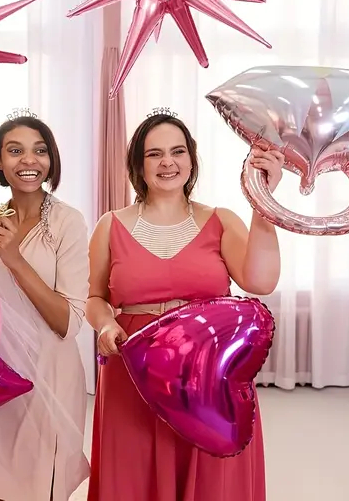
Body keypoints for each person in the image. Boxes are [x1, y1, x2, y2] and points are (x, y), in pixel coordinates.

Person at [86, 110, 285, 501]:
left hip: (208, 371)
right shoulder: (110, 225)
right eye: (154, 153)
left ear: (191, 160)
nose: (167, 162)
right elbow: (94, 298)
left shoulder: (220, 220)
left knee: (210, 474)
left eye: (177, 151)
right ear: (138, 165)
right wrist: (106, 325)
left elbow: (261, 281)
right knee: (135, 470)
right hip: (133, 369)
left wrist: (264, 200)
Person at [0, 113, 90, 501]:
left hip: (49, 382)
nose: (29, 160)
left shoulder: (67, 222)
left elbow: (67, 322)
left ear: (51, 160)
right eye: (15, 150)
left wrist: (14, 259)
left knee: (39, 489)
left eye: (40, 151)